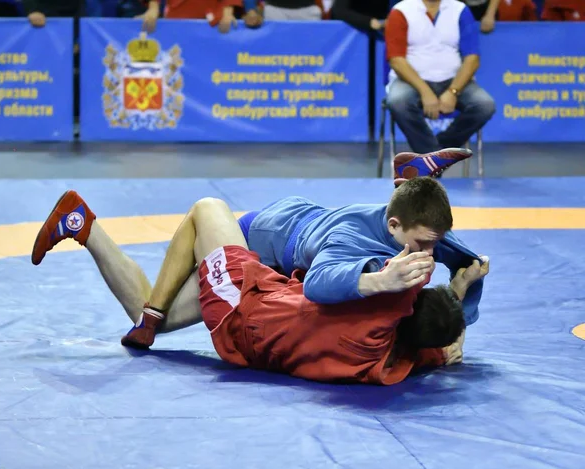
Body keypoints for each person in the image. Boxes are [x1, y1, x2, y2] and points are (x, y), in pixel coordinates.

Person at [31, 195, 489, 384]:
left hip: (249, 306)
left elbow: (327, 285)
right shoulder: (391, 365)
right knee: (164, 315)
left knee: (208, 208)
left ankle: (149, 316)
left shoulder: (390, 298)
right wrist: (456, 321)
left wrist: (387, 280)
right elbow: (440, 342)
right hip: (257, 314)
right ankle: (83, 226)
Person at [385, 0, 496, 154]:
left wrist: (453, 91)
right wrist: (425, 92)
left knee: (485, 105)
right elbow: (396, 60)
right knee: (398, 102)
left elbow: (472, 58)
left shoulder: (459, 10)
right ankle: (435, 158)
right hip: (411, 81)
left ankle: (438, 152)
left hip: (453, 79)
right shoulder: (401, 11)